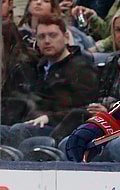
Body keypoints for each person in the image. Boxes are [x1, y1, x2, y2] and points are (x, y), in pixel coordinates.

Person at [0, 15, 98, 155]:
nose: (47, 41)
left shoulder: (81, 68)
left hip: (58, 127)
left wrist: (49, 117)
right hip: (33, 121)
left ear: (65, 36)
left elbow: (83, 111)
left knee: (19, 130)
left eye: (52, 35)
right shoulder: (39, 66)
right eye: (42, 37)